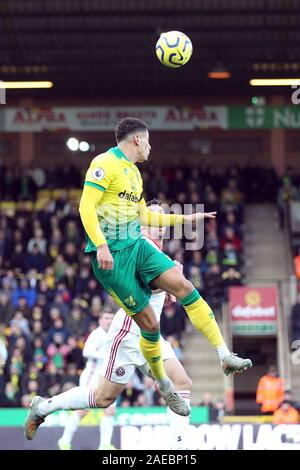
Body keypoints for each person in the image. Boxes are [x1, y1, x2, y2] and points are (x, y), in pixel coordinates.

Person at [24, 117, 252, 439]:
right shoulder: (105, 165)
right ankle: (44, 406)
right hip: (129, 333)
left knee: (182, 381)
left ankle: (183, 440)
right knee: (102, 397)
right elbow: (87, 207)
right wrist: (103, 246)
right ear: (136, 140)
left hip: (150, 336)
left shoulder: (135, 178)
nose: (150, 147)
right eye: (148, 141)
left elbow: (146, 215)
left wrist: (188, 218)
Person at [57, 312, 115, 450]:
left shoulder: (113, 334)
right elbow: (86, 352)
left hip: (106, 378)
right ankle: (64, 441)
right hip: (92, 377)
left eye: (111, 318)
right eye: (106, 318)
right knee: (83, 410)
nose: (109, 321)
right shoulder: (97, 334)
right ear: (100, 320)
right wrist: (105, 356)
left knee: (110, 409)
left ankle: (104, 445)